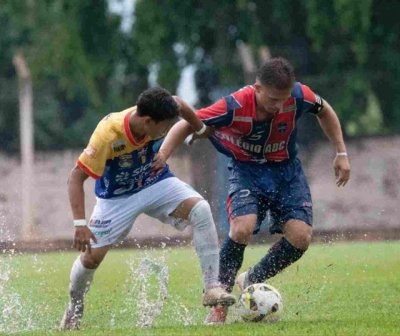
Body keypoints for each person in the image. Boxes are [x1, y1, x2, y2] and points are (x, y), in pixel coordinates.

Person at [154, 57, 351, 324]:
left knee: (301, 238)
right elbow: (185, 123)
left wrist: (341, 152)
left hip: (286, 172)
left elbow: (324, 109)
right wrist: (164, 155)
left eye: (283, 100)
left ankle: (251, 279)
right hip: (246, 171)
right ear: (257, 88)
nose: (278, 106)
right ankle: (220, 303)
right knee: (241, 228)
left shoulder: (300, 95)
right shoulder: (234, 105)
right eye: (272, 99)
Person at [60, 87, 235, 330]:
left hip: (155, 181)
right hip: (116, 199)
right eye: (162, 127)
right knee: (91, 259)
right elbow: (75, 178)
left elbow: (181, 105)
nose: (164, 131)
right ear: (147, 121)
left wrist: (200, 129)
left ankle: (212, 287)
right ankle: (74, 309)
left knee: (201, 210)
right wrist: (80, 224)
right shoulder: (108, 134)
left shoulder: (160, 110)